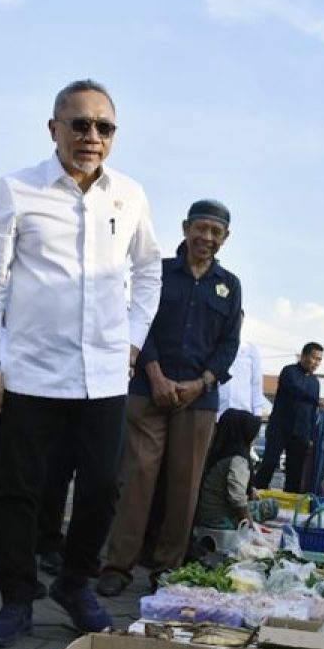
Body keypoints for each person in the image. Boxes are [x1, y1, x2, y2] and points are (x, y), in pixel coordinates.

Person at [0, 79, 161, 647]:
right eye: (79, 124)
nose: (91, 136)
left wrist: (132, 338)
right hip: (29, 370)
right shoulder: (16, 190)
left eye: (104, 127)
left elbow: (149, 271)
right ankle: (15, 598)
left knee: (102, 486)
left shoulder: (129, 196)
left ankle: (75, 582)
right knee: (20, 492)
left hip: (103, 374)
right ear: (53, 128)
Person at [97, 199, 242, 596]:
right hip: (148, 390)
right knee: (137, 479)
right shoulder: (157, 273)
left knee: (185, 486)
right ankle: (117, 565)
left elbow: (229, 345)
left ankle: (167, 568)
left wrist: (201, 383)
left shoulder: (230, 286)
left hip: (198, 400)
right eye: (200, 229)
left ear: (225, 239)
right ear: (185, 228)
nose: (206, 238)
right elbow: (140, 324)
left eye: (216, 232)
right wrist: (156, 374)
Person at [253, 343, 324, 492]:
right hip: (279, 428)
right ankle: (254, 496)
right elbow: (295, 390)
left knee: (294, 475)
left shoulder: (315, 382)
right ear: (303, 356)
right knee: (269, 464)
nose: (316, 363)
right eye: (314, 358)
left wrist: (310, 437)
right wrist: (316, 400)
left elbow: (312, 413)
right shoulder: (289, 371)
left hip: (300, 434)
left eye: (319, 360)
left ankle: (288, 509)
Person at [195, 409, 280, 530]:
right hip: (218, 519)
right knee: (272, 506)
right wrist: (248, 522)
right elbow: (237, 498)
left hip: (206, 514)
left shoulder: (221, 452)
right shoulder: (238, 460)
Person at [218, 314, 267, 418]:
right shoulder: (214, 347)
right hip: (218, 414)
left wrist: (257, 414)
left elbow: (256, 384)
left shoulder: (251, 350)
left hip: (243, 415)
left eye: (238, 320)